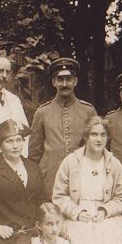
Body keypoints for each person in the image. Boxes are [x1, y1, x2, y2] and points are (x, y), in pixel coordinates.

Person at [52, 116, 122, 244]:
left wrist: (105, 210)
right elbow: (58, 196)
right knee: (86, 237)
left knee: (112, 239)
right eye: (94, 134)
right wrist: (76, 212)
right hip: (77, 217)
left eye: (103, 135)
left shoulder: (113, 163)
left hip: (104, 216)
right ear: (86, 137)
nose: (99, 139)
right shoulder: (71, 161)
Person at [28, 57, 97, 197]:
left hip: (81, 176)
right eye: (60, 79)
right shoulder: (42, 112)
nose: (64, 84)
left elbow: (97, 147)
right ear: (53, 82)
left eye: (69, 79)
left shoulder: (88, 111)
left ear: (75, 81)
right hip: (50, 179)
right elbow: (34, 154)